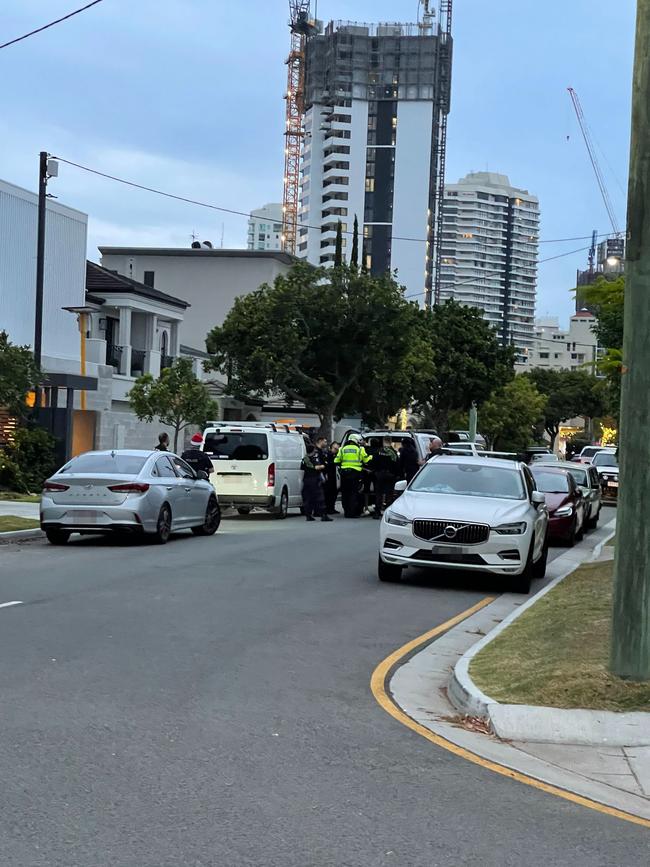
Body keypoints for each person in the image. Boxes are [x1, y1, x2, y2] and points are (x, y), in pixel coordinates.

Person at [334, 434, 371, 518]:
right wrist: (371, 457)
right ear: (356, 440)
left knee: (345, 493)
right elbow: (366, 460)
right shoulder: (360, 449)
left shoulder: (342, 449)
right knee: (353, 493)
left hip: (344, 474)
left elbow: (336, 460)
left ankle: (346, 512)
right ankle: (352, 512)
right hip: (355, 474)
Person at [301, 443, 332, 522]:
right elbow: (317, 467)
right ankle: (323, 515)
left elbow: (302, 468)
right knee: (320, 497)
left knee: (308, 498)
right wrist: (322, 466)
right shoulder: (313, 458)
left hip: (306, 479)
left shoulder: (304, 459)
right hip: (314, 479)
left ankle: (308, 515)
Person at [371, 436, 399, 518]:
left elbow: (373, 463)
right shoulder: (393, 452)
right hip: (390, 475)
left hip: (380, 475)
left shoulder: (378, 451)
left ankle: (377, 512)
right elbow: (397, 465)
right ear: (390, 442)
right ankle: (387, 513)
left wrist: (375, 472)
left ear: (383, 441)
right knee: (389, 494)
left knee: (379, 494)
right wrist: (396, 475)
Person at [324, 441, 340, 514]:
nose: (336, 450)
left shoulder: (337, 455)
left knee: (334, 494)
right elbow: (327, 465)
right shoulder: (328, 455)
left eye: (337, 449)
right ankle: (328, 508)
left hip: (335, 477)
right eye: (335, 449)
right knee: (329, 494)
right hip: (329, 476)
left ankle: (332, 508)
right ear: (331, 448)